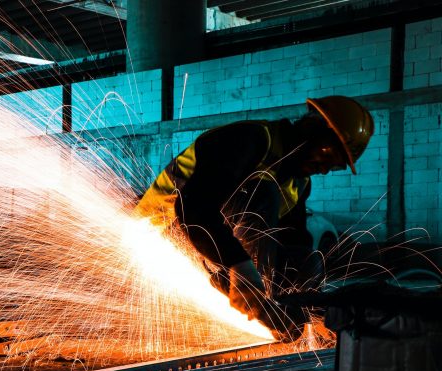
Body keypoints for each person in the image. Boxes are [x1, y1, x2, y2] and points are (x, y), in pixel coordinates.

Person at [135, 95, 374, 339]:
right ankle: (250, 295)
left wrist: (308, 306)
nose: (324, 169)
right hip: (167, 232)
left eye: (334, 166)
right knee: (260, 191)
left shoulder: (299, 183)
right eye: (326, 155)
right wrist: (239, 264)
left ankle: (283, 315)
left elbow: (293, 242)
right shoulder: (249, 140)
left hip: (214, 244)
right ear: (310, 128)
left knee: (307, 259)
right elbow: (194, 209)